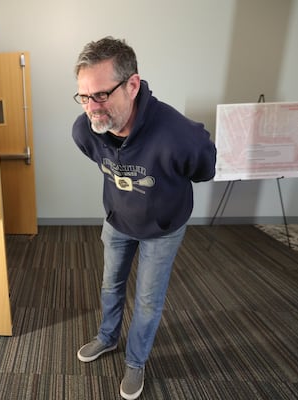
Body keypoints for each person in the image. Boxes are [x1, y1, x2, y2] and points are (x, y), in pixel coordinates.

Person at [72, 37, 217, 399]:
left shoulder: (179, 136)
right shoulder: (85, 130)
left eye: (102, 95)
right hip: (118, 221)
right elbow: (103, 159)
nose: (93, 108)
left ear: (132, 85)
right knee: (110, 286)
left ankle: (135, 362)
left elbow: (203, 170)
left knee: (148, 301)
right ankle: (107, 338)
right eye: (84, 97)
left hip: (163, 228)